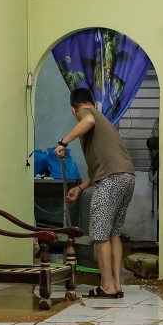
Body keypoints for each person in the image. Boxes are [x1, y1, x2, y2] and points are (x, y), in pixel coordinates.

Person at [55, 86, 135, 298]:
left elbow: (87, 121)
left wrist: (63, 142)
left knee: (100, 235)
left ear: (74, 109)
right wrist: (80, 188)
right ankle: (116, 285)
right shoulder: (104, 120)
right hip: (126, 177)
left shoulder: (87, 115)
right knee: (113, 233)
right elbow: (102, 167)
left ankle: (107, 285)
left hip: (111, 179)